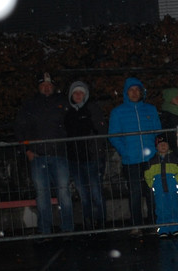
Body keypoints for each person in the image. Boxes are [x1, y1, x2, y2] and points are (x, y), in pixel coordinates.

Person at [15, 72, 73, 236]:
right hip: (38, 156)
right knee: (42, 196)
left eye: (49, 85)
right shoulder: (29, 105)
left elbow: (71, 126)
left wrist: (67, 147)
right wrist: (26, 150)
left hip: (59, 155)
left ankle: (68, 229)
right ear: (38, 87)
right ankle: (45, 231)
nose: (46, 88)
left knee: (64, 193)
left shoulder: (63, 103)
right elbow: (20, 129)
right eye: (43, 85)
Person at [108, 77, 161, 235]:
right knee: (135, 193)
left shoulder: (150, 109)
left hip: (150, 158)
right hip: (130, 160)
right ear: (126, 92)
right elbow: (114, 136)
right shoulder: (118, 112)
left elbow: (158, 132)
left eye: (137, 90)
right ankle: (136, 225)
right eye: (131, 90)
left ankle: (153, 223)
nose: (135, 93)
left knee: (152, 192)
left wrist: (155, 150)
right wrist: (125, 152)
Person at [64, 81, 107, 230]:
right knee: (83, 194)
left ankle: (101, 222)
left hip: (92, 157)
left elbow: (101, 130)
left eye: (81, 92)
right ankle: (88, 222)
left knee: (95, 191)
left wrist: (97, 150)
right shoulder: (67, 112)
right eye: (75, 92)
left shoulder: (92, 109)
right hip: (74, 159)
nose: (78, 95)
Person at [144, 134, 178, 237]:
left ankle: (175, 227)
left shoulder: (175, 158)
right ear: (156, 147)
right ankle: (162, 228)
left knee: (174, 207)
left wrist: (177, 181)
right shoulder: (152, 161)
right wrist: (152, 184)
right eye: (160, 144)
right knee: (161, 208)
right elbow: (147, 174)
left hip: (172, 187)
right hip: (159, 188)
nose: (163, 146)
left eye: (165, 144)